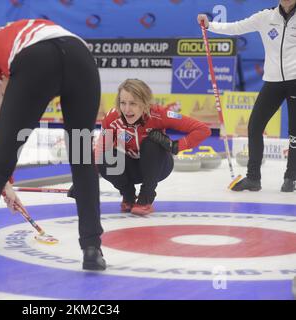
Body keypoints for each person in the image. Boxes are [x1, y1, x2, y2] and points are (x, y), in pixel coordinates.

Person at [0, 19, 105, 288]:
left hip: (38, 61)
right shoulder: (31, 27)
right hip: (81, 57)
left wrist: (3, 173)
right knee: (82, 159)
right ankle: (93, 249)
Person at [198, 0, 296, 192]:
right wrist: (210, 25)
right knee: (254, 126)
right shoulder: (265, 17)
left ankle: (291, 177)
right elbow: (236, 27)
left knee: (294, 134)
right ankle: (253, 178)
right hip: (272, 81)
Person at [92, 79, 211, 215]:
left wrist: (175, 146)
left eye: (133, 103)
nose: (126, 109)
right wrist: (84, 179)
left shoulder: (160, 114)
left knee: (152, 142)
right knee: (106, 158)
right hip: (131, 167)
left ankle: (146, 198)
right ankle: (128, 196)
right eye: (123, 103)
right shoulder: (112, 118)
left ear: (145, 103)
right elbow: (100, 150)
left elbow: (202, 129)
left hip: (158, 166)